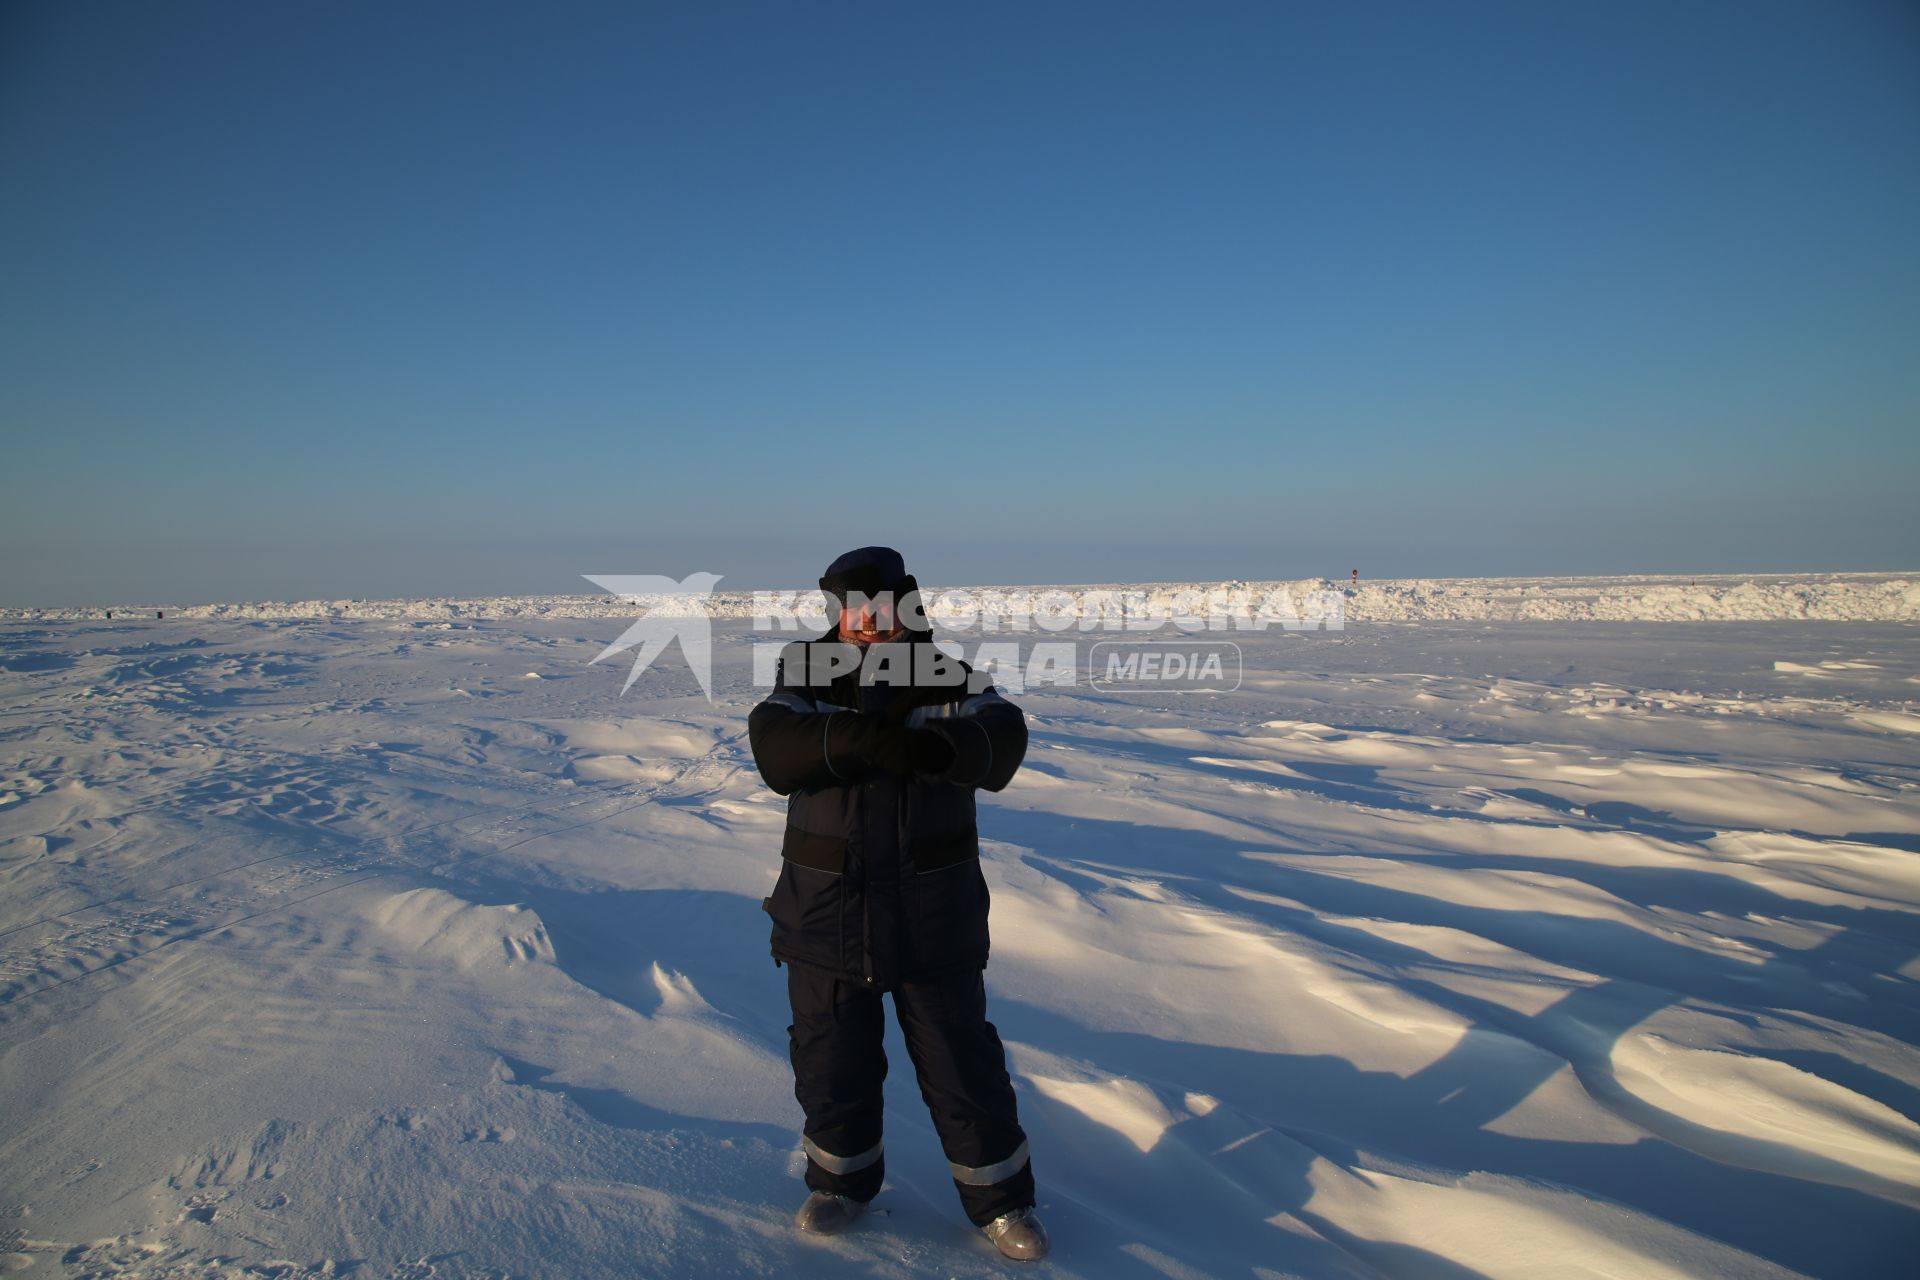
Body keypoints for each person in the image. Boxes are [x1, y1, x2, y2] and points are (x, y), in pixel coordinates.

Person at [747, 546, 1048, 1261]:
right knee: (830, 1062)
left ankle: (1003, 1203)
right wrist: (858, 737)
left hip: (930, 918)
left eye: (874, 606)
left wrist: (940, 749)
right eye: (847, 607)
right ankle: (839, 1184)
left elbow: (1004, 736)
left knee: (961, 1066)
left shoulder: (948, 677)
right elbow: (773, 748)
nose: (861, 621)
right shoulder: (807, 673)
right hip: (826, 914)